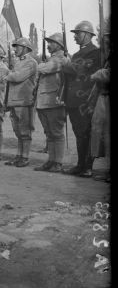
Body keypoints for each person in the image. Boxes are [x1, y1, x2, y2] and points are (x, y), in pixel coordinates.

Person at [62, 21, 101, 178]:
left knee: (86, 133)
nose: (75, 37)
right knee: (79, 133)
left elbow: (79, 69)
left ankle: (87, 167)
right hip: (73, 100)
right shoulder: (77, 55)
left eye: (77, 33)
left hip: (86, 100)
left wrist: (65, 64)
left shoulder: (95, 53)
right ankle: (80, 165)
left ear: (87, 34)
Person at [34, 32, 69, 173]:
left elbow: (46, 68)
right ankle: (51, 160)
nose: (48, 45)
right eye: (48, 42)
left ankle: (58, 162)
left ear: (59, 45)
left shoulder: (61, 58)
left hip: (55, 101)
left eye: (51, 42)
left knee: (56, 132)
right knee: (49, 133)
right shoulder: (51, 59)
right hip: (44, 101)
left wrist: (40, 65)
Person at [4, 37, 38, 167]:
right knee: (18, 131)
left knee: (25, 131)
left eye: (17, 46)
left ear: (25, 48)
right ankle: (19, 156)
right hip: (14, 101)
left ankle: (25, 157)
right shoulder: (18, 63)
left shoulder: (31, 62)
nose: (15, 49)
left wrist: (7, 73)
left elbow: (17, 77)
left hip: (24, 101)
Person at [90, 31, 110, 183]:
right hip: (103, 97)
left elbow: (105, 75)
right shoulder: (106, 58)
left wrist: (99, 73)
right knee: (101, 133)